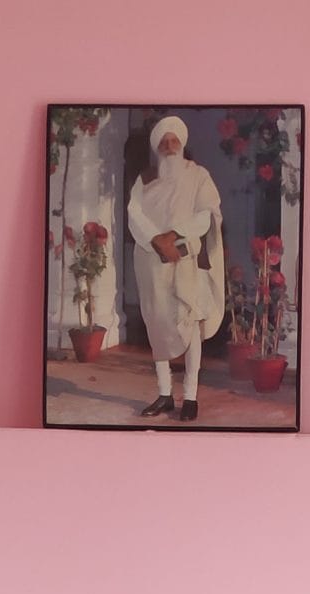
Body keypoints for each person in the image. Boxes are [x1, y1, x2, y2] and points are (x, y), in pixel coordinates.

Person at [127, 116, 226, 424]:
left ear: (182, 145)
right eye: (164, 142)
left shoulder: (198, 175)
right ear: (157, 147)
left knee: (190, 322)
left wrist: (172, 236)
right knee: (157, 323)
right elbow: (134, 213)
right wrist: (156, 239)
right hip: (151, 259)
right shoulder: (145, 178)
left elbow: (206, 215)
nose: (170, 147)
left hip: (185, 259)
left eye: (174, 141)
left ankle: (191, 396)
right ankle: (165, 393)